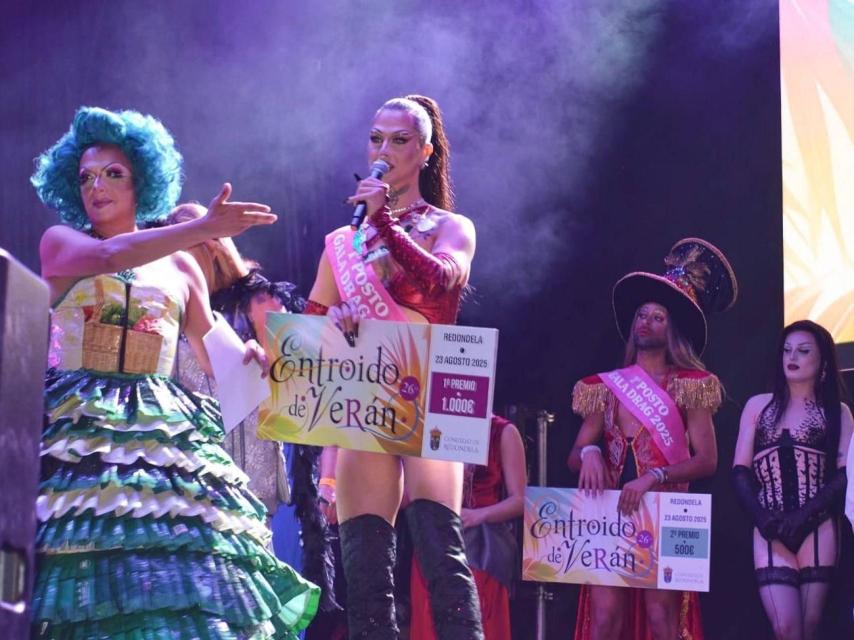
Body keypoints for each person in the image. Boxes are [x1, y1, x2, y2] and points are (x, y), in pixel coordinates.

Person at [31, 106, 318, 638]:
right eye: (86, 176)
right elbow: (109, 256)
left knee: (180, 565)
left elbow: (212, 346)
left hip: (161, 435)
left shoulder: (184, 266)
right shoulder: (62, 244)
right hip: (75, 431)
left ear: (144, 178)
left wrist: (252, 358)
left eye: (113, 173)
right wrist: (203, 228)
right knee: (80, 557)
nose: (97, 186)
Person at [305, 94, 482, 639]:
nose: (385, 150)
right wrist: (332, 316)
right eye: (376, 139)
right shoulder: (343, 241)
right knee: (365, 571)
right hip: (366, 392)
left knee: (440, 554)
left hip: (432, 388)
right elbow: (314, 318)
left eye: (400, 140)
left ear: (426, 152)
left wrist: (386, 221)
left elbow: (442, 281)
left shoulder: (452, 226)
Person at [168, 203, 341, 633]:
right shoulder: (162, 302)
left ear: (214, 247)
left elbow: (309, 378)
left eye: (193, 242)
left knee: (259, 606)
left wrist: (267, 355)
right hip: (192, 486)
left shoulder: (256, 301)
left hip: (259, 484)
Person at [567, 238, 738, 640]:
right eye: (642, 315)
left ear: (672, 329)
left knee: (662, 620)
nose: (645, 322)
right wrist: (589, 451)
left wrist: (653, 477)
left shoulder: (690, 386)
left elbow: (707, 459)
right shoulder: (606, 387)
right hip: (608, 514)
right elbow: (575, 454)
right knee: (605, 620)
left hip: (666, 510)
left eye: (657, 317)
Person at [732, 320, 853, 640]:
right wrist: (761, 518)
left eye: (803, 350)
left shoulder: (837, 411)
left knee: (811, 628)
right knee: (786, 628)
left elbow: (844, 474)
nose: (792, 356)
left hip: (818, 525)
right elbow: (740, 470)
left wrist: (804, 515)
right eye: (787, 350)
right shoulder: (758, 406)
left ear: (823, 361)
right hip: (768, 525)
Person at [409, 414, 527, 639]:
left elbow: (520, 500)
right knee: (428, 622)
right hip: (434, 537)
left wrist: (477, 515)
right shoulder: (431, 424)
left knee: (478, 617)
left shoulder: (502, 432)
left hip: (482, 545)